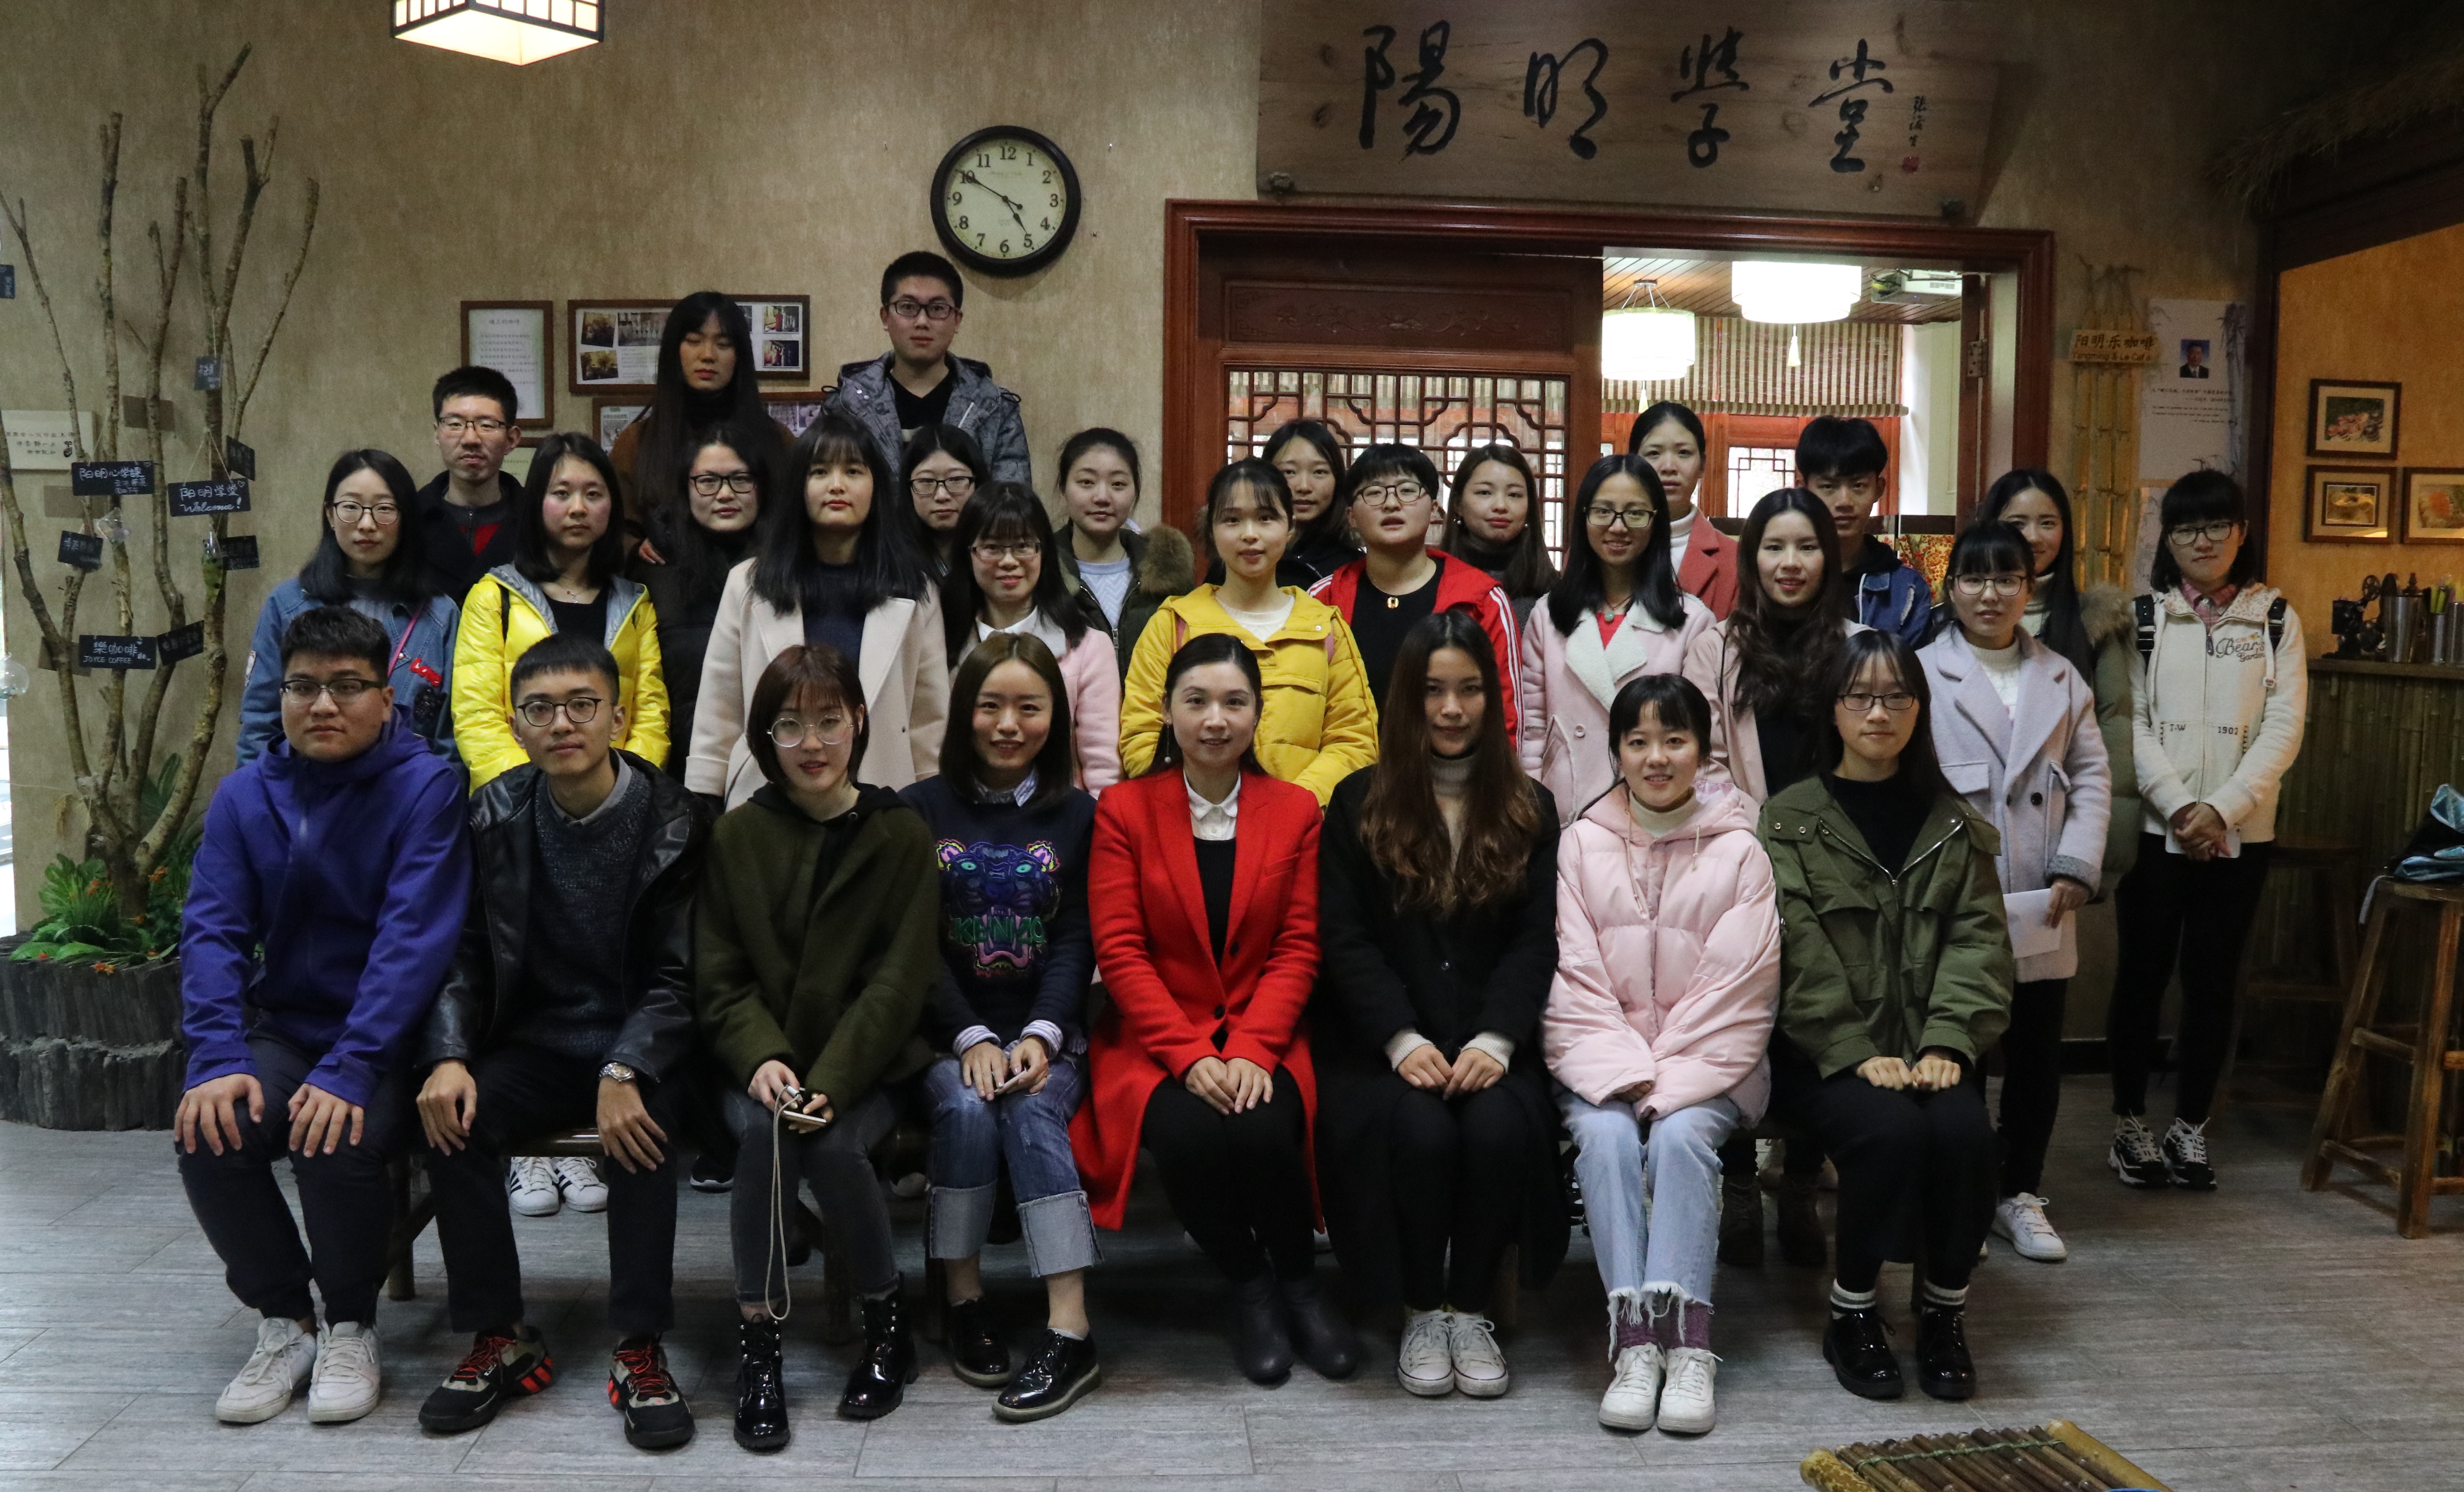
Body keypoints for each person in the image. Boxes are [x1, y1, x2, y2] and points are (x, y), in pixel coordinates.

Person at [412, 633, 711, 1450]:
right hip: (538, 1041)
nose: (563, 723)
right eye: (540, 708)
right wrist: (448, 1054)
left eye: (583, 704)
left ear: (619, 715)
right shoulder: (492, 814)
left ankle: (639, 1342)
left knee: (641, 1124)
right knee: (455, 1115)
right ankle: (501, 1333)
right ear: (516, 725)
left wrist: (627, 1062)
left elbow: (684, 972)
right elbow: (463, 950)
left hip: (645, 1041)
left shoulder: (679, 819)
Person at [176, 606, 469, 1427]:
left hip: (390, 1035)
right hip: (288, 1024)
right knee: (210, 1127)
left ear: (386, 697)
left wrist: (351, 1064)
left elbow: (413, 940)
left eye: (347, 686)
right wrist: (216, 1055)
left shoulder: (427, 787)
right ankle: (287, 1320)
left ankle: (349, 1323)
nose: (324, 704)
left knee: (333, 1134)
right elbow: (211, 931)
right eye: (303, 686)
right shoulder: (245, 796)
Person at [1075, 635, 1360, 1385]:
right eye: (1196, 701)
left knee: (1265, 1127)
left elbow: (1299, 946)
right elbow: (1121, 952)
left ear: (1257, 714)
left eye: (1234, 702)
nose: (1215, 719)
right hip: (1154, 1037)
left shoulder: (1294, 810)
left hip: (1266, 1030)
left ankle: (1300, 1283)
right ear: (1168, 712)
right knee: (1189, 1134)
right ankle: (1252, 1285)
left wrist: (1254, 1048)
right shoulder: (1124, 810)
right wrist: (1191, 1054)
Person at [696, 644, 942, 1444]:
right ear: (764, 736)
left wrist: (832, 1076)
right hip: (759, 1063)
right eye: (790, 726)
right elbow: (719, 974)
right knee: (766, 1134)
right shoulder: (738, 834)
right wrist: (762, 1056)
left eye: (829, 721)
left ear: (859, 722)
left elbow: (899, 982)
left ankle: (887, 1322)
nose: (812, 743)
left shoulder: (900, 833)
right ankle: (759, 1344)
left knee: (835, 1146)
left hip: (867, 1062)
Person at [1315, 614, 1564, 1401]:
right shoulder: (1358, 801)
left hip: (1493, 1041)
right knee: (1419, 1131)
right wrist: (1399, 1038)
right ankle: (1423, 1306)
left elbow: (1536, 940)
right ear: (1405, 700)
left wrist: (1496, 1039)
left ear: (1492, 699)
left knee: (1496, 1129)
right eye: (1432, 691)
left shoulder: (1530, 805)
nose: (1452, 708)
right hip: (1381, 1045)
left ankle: (1470, 1306)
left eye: (1469, 690)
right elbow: (1346, 940)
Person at [1762, 631, 2013, 1404]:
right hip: (1821, 1055)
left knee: (1965, 1133)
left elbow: (1979, 944)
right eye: (1860, 696)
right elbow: (1792, 950)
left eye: (1897, 696)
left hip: (1929, 1051)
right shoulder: (1788, 820)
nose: (1878, 712)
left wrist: (1949, 1042)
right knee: (1890, 1130)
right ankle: (1852, 1310)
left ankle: (1942, 1312)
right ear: (1833, 710)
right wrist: (1849, 1045)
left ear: (1919, 709)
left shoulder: (1953, 824)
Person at [1546, 673, 1779, 1435]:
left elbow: (1738, 989)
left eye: (1674, 740)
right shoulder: (1579, 844)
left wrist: (1664, 1080)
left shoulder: (1742, 851)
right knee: (1606, 1137)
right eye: (1638, 741)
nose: (1656, 757)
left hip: (1713, 1064)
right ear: (1616, 750)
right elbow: (1573, 978)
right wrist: (1623, 1073)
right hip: (1598, 1061)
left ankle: (1689, 1342)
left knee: (1680, 1136)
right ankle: (1635, 1341)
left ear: (1702, 750)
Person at [899, 634, 1106, 1421]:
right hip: (945, 1036)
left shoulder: (1077, 814)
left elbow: (1077, 938)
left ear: (1056, 716)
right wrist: (972, 1037)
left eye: (1029, 707)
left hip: (1047, 1035)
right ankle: (964, 1297)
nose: (1009, 724)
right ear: (964, 713)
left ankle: (1070, 1326)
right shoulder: (919, 808)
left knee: (1029, 1107)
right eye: (990, 706)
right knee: (964, 1105)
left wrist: (1042, 1033)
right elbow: (913, 947)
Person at [1681, 486, 1865, 1268]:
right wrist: (1768, 842)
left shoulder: (1859, 646)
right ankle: (1736, 1183)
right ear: (1751, 559)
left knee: (1820, 1018)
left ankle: (1797, 1180)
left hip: (1839, 865)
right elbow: (1705, 762)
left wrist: (1821, 846)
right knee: (1735, 1023)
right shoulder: (1714, 647)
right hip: (1739, 861)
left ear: (1829, 557)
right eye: (1774, 547)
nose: (1791, 563)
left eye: (1807, 547)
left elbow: (1872, 759)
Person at [2107, 472, 2306, 1192]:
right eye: (2186, 527)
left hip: (2240, 833)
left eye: (2216, 524)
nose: (2202, 540)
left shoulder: (2274, 618)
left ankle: (2190, 1126)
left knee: (2212, 980)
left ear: (2241, 531)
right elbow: (2130, 721)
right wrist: (2177, 807)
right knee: (2141, 974)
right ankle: (2129, 1122)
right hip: (2155, 831)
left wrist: (2221, 809)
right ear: (2167, 539)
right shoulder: (2144, 617)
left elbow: (2283, 727)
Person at [1919, 521, 2111, 1263]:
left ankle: (2019, 1190)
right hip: (1957, 894)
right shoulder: (1921, 670)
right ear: (1951, 588)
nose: (1990, 594)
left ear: (2029, 589)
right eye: (1974, 578)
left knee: (2035, 1053)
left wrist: (2077, 862)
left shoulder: (2062, 677)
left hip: (2042, 894)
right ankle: (1964, 1191)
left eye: (2007, 578)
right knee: (1958, 1048)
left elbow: (2092, 774)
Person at [690, 414, 946, 805]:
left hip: (881, 800)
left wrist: (932, 805)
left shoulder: (915, 590)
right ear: (800, 486)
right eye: (820, 471)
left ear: (876, 486)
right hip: (767, 799)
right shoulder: (748, 583)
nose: (837, 485)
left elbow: (929, 723)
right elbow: (719, 709)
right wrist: (705, 795)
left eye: (853, 471)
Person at [1118, 459, 1378, 805]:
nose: (1250, 534)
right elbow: (1141, 736)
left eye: (1266, 518)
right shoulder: (1173, 623)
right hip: (1192, 822)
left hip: (1303, 825)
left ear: (1290, 527)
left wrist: (1292, 808)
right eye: (1232, 519)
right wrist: (1207, 805)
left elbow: (1354, 741)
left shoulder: (1325, 628)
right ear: (1212, 530)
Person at [452, 431, 668, 792]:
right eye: (562, 493)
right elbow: (477, 717)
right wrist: (534, 799)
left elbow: (651, 717)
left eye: (593, 494)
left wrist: (624, 792)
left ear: (612, 505)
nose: (578, 508)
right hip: (518, 803)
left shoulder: (633, 602)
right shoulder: (493, 596)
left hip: (616, 799)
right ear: (537, 502)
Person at [1518, 454, 1713, 824]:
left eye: (1635, 513)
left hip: (1654, 811)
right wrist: (1532, 809)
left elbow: (1700, 736)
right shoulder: (1549, 614)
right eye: (1603, 512)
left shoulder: (1691, 620)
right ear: (1584, 518)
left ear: (1656, 521)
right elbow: (1532, 729)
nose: (1618, 526)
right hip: (1562, 809)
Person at [238, 449, 459, 765]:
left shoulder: (440, 615)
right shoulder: (286, 605)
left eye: (384, 509)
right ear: (330, 514)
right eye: (351, 508)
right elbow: (260, 726)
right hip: (304, 789)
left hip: (408, 790)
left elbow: (450, 742)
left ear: (406, 519)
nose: (367, 524)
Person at [1980, 469, 2141, 894]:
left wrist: (2093, 856)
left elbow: (2112, 739)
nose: (2033, 537)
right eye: (2017, 523)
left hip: (2064, 838)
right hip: (1978, 839)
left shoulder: (2095, 622)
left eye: (2047, 523)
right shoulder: (1955, 622)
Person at [1310, 443, 1520, 729]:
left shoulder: (1484, 600)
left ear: (1433, 509)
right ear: (1351, 517)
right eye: (1374, 492)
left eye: (1407, 490)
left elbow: (1506, 716)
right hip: (1344, 757)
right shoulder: (1322, 598)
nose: (1391, 504)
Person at [940, 481, 1121, 790]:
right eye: (992, 547)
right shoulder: (939, 642)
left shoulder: (1089, 647)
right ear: (968, 554)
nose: (1009, 561)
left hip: (1058, 811)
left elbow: (1103, 768)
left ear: (1043, 552)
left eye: (1023, 546)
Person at [825, 250, 1029, 486]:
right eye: (908, 307)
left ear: (957, 320)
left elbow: (1011, 500)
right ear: (885, 317)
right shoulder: (846, 406)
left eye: (938, 309)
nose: (922, 322)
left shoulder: (995, 408)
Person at [608, 292, 796, 548]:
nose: (708, 355)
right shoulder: (635, 443)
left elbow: (796, 528)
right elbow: (616, 531)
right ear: (674, 351)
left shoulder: (778, 440)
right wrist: (636, 549)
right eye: (694, 341)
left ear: (740, 355)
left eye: (724, 344)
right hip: (665, 573)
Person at [634, 428, 770, 782]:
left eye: (741, 479)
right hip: (679, 766)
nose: (725, 494)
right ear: (687, 488)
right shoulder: (652, 569)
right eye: (708, 481)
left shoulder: (789, 569)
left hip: (774, 762)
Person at [1050, 426, 1195, 675]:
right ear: (1063, 487)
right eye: (1087, 483)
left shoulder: (1170, 573)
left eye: (1118, 484)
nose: (1102, 497)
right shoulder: (1042, 570)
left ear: (1135, 491)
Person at [1796, 416, 1928, 646]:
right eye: (1828, 487)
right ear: (1803, 490)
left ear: (1879, 489)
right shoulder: (1786, 577)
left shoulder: (1906, 590)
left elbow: (1912, 668)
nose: (1844, 502)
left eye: (1858, 486)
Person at [415, 366, 525, 597]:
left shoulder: (538, 521)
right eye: (455, 424)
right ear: (437, 434)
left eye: (487, 425)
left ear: (512, 439)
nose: (471, 439)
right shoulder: (409, 518)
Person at [1628, 401, 1737, 617]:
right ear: (1633, 464)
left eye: (1684, 453)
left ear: (1703, 465)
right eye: (1654, 453)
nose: (1669, 467)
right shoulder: (1600, 545)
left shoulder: (1735, 560)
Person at [1442, 442, 1557, 629]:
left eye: (1514, 495)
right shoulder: (1435, 582)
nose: (1501, 506)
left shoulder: (1555, 594)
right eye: (1485, 493)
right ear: (1458, 504)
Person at [1263, 419, 1358, 589]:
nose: (1304, 487)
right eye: (1289, 472)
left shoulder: (1354, 569)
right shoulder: (1244, 556)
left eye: (1319, 472)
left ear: (1338, 480)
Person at [902, 421, 992, 574]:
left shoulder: (999, 555)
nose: (941, 496)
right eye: (926, 481)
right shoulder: (887, 557)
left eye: (956, 479)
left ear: (978, 483)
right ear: (908, 487)